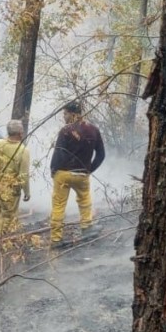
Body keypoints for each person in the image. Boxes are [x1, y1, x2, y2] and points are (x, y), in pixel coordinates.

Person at [49, 101, 105, 245]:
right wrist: (89, 169)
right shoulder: (94, 130)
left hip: (63, 173)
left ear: (73, 114)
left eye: (65, 114)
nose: (64, 117)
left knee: (59, 205)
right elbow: (101, 154)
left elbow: (59, 152)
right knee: (85, 200)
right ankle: (86, 227)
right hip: (82, 174)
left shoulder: (66, 130)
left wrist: (53, 170)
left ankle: (56, 238)